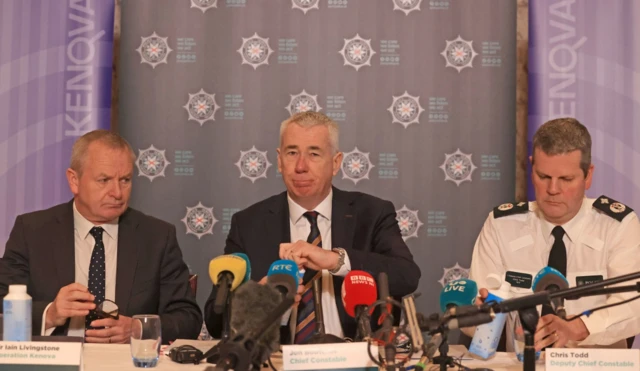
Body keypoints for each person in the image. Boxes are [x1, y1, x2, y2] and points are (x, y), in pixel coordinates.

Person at [205, 111, 421, 343]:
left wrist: (335, 260)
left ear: (336, 163)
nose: (300, 166)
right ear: (279, 160)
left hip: (355, 358)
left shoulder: (372, 213)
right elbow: (216, 322)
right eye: (292, 153)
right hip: (279, 362)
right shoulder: (249, 223)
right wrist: (257, 301)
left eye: (314, 154)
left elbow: (406, 276)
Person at [0, 130, 202, 344]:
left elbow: (188, 318)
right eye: (104, 180)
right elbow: (2, 303)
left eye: (125, 180)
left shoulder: (156, 237)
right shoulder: (32, 231)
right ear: (74, 180)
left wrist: (138, 328)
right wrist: (50, 314)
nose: (117, 192)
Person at [469, 117, 640, 350]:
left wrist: (577, 328)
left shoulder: (617, 226)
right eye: (544, 177)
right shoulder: (501, 226)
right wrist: (482, 316)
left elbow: (632, 306)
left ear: (588, 175)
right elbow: (476, 319)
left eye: (566, 179)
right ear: (532, 168)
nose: (553, 190)